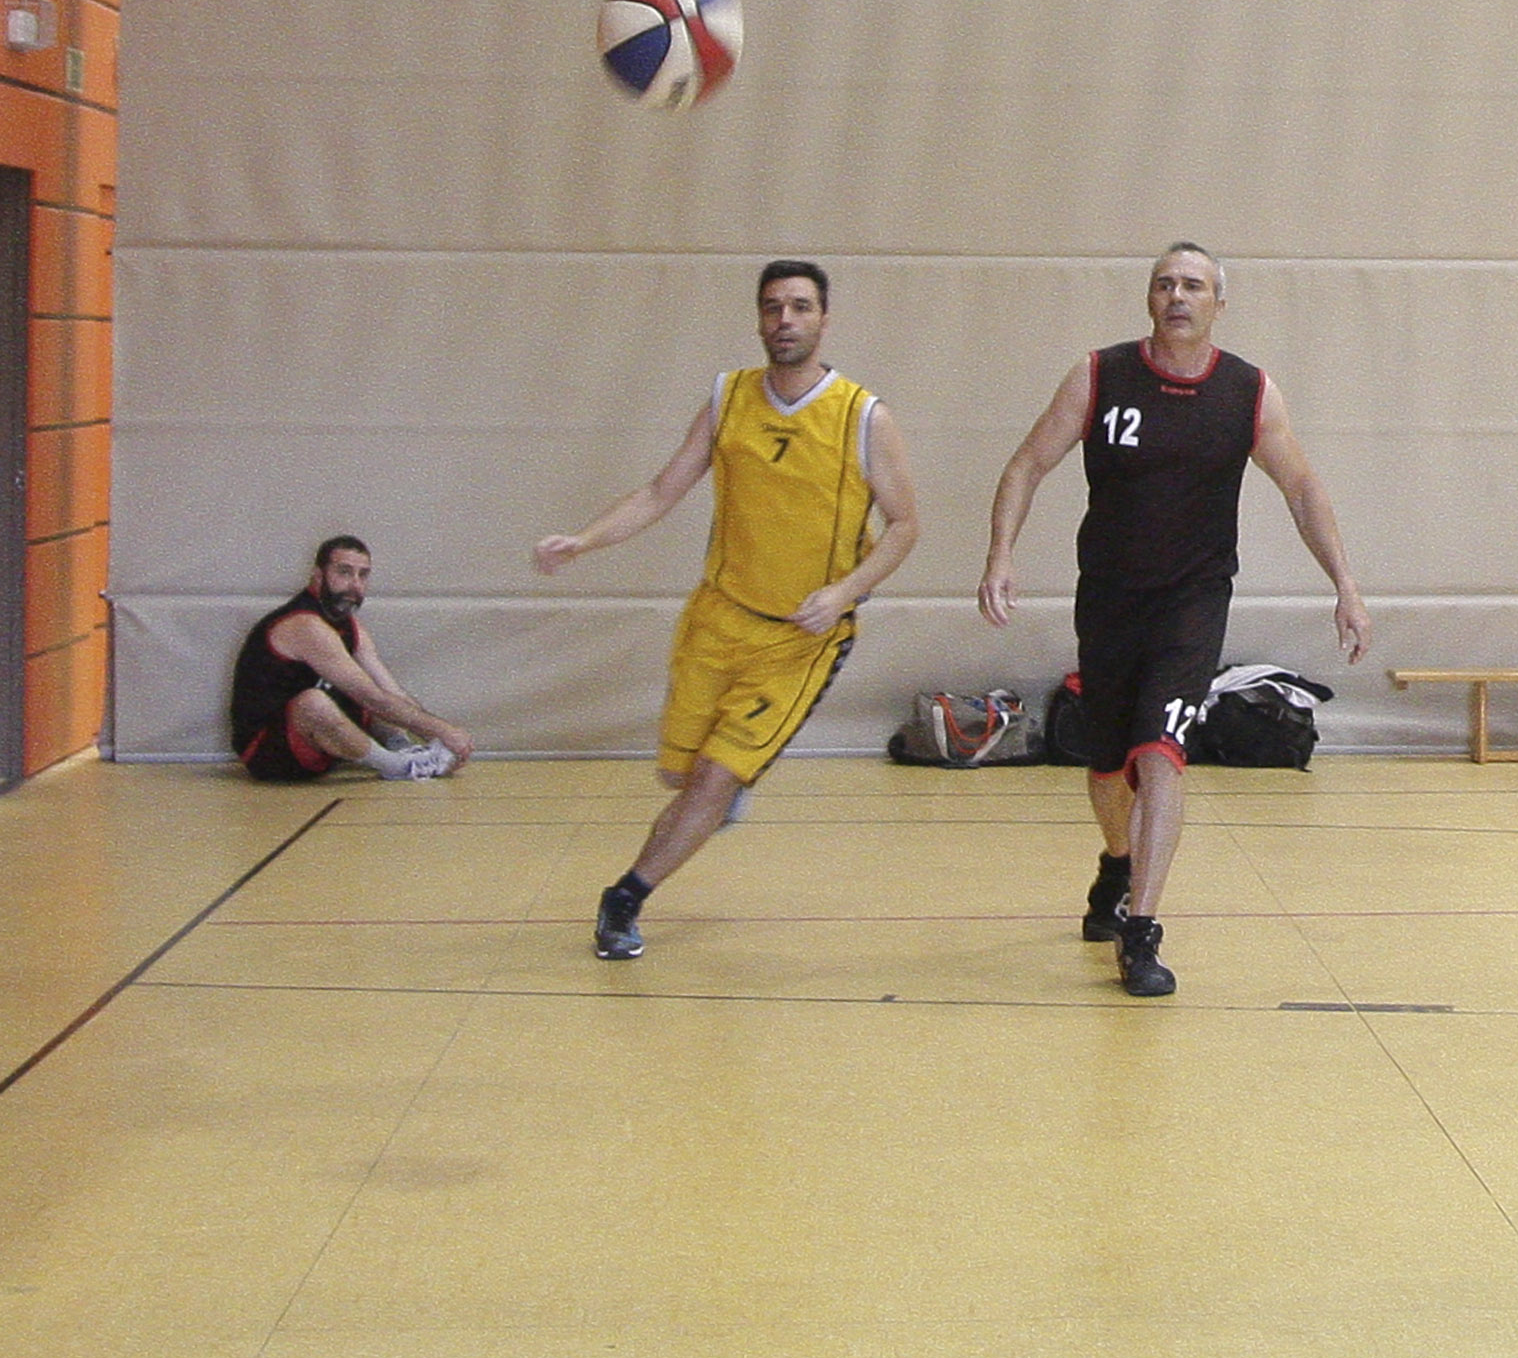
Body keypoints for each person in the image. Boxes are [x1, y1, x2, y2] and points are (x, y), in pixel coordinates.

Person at [980, 243, 1370, 999]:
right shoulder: (1100, 375)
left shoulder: (1248, 392)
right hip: (1109, 598)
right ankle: (1117, 863)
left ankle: (1142, 930)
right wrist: (1001, 554)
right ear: (1149, 298)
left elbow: (1301, 488)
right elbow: (1027, 464)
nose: (1178, 296)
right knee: (1107, 767)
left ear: (1219, 302)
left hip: (1192, 601)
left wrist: (1345, 585)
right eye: (1165, 284)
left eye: (1193, 285)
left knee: (1161, 752)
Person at [537, 261, 919, 961]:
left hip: (799, 641)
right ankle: (717, 795)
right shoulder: (728, 397)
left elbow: (904, 526)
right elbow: (661, 490)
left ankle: (624, 898)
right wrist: (585, 540)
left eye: (800, 306)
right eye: (773, 307)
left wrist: (843, 592)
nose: (786, 320)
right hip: (718, 618)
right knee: (680, 780)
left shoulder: (863, 416)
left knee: (712, 780)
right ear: (759, 318)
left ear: (824, 319)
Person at [229, 537, 474, 781]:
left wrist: (438, 739)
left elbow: (390, 690)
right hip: (270, 754)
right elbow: (371, 698)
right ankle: (398, 766)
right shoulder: (304, 624)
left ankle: (404, 749)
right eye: (344, 572)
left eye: (363, 575)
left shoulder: (351, 627)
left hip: (322, 744)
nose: (355, 585)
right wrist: (443, 730)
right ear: (318, 575)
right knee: (317, 702)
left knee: (379, 692)